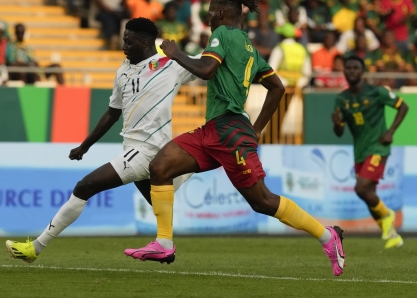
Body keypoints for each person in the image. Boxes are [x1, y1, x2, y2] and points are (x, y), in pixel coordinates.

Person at [124, 0, 346, 277]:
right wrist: (258, 127)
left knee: (262, 201)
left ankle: (328, 236)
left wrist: (175, 53)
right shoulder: (249, 46)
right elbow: (276, 87)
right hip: (214, 130)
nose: (207, 15)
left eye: (209, 11)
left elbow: (206, 70)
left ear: (219, 13)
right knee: (160, 167)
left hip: (230, 132)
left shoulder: (222, 34)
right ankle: (164, 243)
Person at [5, 17, 198, 263]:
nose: (123, 46)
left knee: (85, 186)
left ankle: (36, 248)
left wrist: (190, 51)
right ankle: (184, 177)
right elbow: (112, 113)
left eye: (128, 42)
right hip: (134, 149)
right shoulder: (123, 71)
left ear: (144, 41)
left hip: (148, 151)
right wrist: (85, 145)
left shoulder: (169, 65)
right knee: (155, 197)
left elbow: (207, 65)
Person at [331, 55, 408, 249]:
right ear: (344, 72)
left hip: (378, 147)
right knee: (367, 193)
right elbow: (339, 132)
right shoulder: (342, 98)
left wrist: (390, 131)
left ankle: (388, 215)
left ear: (362, 71)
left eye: (356, 68)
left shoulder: (377, 92)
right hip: (360, 151)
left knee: (361, 188)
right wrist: (337, 123)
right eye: (348, 68)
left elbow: (403, 107)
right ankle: (392, 235)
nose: (352, 71)